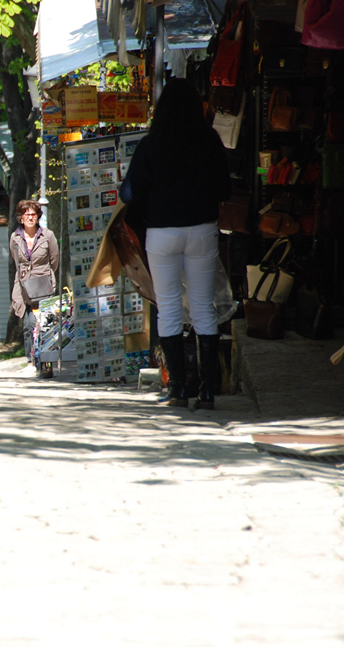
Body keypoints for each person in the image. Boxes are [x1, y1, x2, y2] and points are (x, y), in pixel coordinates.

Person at [118, 78, 231, 409]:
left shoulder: (151, 145)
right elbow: (224, 190)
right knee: (202, 308)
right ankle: (207, 391)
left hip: (162, 234)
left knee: (167, 308)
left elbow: (129, 193)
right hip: (202, 231)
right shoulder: (209, 140)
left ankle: (178, 389)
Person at [9, 199, 60, 378]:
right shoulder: (15, 237)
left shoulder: (48, 236)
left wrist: (44, 277)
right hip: (24, 286)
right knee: (28, 324)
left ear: (38, 216)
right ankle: (31, 361)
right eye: (26, 214)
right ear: (21, 218)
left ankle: (46, 364)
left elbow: (54, 260)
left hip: (43, 285)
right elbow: (17, 261)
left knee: (45, 324)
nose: (30, 217)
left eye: (33, 214)